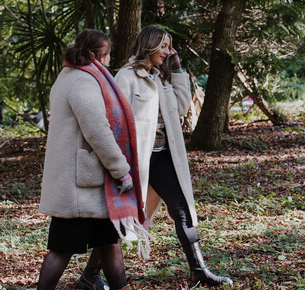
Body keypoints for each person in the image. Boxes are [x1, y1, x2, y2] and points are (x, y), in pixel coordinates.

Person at [111, 24, 233, 287]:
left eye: (169, 47)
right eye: (164, 46)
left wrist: (177, 71)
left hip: (162, 157)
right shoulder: (126, 77)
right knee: (124, 219)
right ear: (150, 46)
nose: (168, 51)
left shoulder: (159, 77)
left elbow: (180, 107)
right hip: (137, 162)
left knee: (182, 210)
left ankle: (198, 271)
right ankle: (90, 275)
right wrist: (119, 165)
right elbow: (116, 123)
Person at [37, 29, 147, 290]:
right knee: (62, 249)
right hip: (80, 188)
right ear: (99, 55)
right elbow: (98, 132)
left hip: (84, 183)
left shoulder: (68, 76)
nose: (108, 60)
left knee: (109, 242)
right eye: (107, 54)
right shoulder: (84, 81)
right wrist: (121, 169)